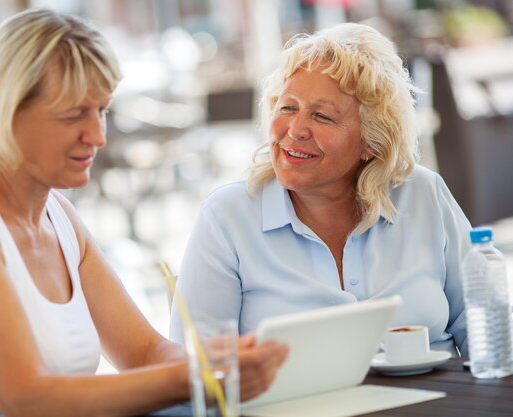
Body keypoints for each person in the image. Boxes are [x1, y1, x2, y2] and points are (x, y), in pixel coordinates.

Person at [0, 8, 289, 416]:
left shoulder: (57, 216)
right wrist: (190, 378)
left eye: (101, 111)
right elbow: (27, 399)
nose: (97, 136)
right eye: (74, 115)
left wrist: (218, 365)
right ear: (6, 113)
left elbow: (145, 351)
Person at [170, 22, 471, 358]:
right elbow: (196, 369)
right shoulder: (227, 217)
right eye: (287, 107)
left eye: (322, 117)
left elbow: (483, 324)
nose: (295, 130)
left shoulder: (423, 192)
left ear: (370, 142)